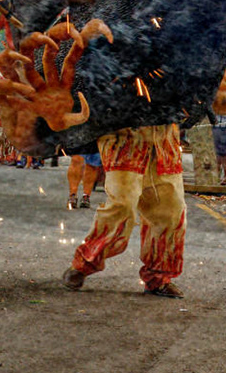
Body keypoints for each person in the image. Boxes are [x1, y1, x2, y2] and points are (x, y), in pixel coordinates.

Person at [64, 123, 189, 298]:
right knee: (122, 206)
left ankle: (158, 278)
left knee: (171, 211)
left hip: (164, 143)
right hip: (124, 140)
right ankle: (84, 264)